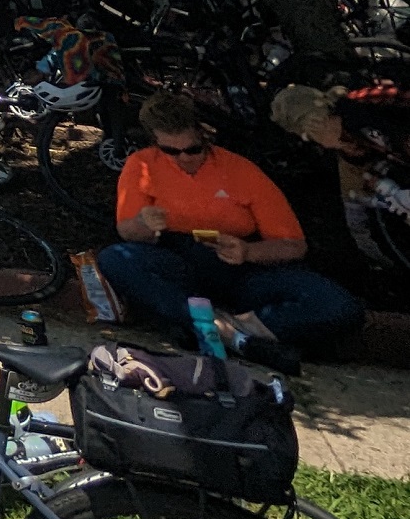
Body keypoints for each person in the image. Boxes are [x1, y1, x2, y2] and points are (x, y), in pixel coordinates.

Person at [100, 90, 365, 367]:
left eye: (192, 149)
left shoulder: (241, 171)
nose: (184, 158)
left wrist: (248, 251)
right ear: (155, 143)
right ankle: (227, 331)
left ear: (204, 137)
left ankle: (218, 329)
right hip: (180, 263)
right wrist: (144, 225)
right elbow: (127, 231)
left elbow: (294, 245)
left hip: (242, 269)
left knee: (341, 307)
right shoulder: (142, 165)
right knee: (115, 259)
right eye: (170, 151)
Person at [271, 79, 410, 262]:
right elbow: (354, 199)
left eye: (308, 135)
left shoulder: (364, 102)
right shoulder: (346, 149)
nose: (317, 141)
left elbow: (400, 97)